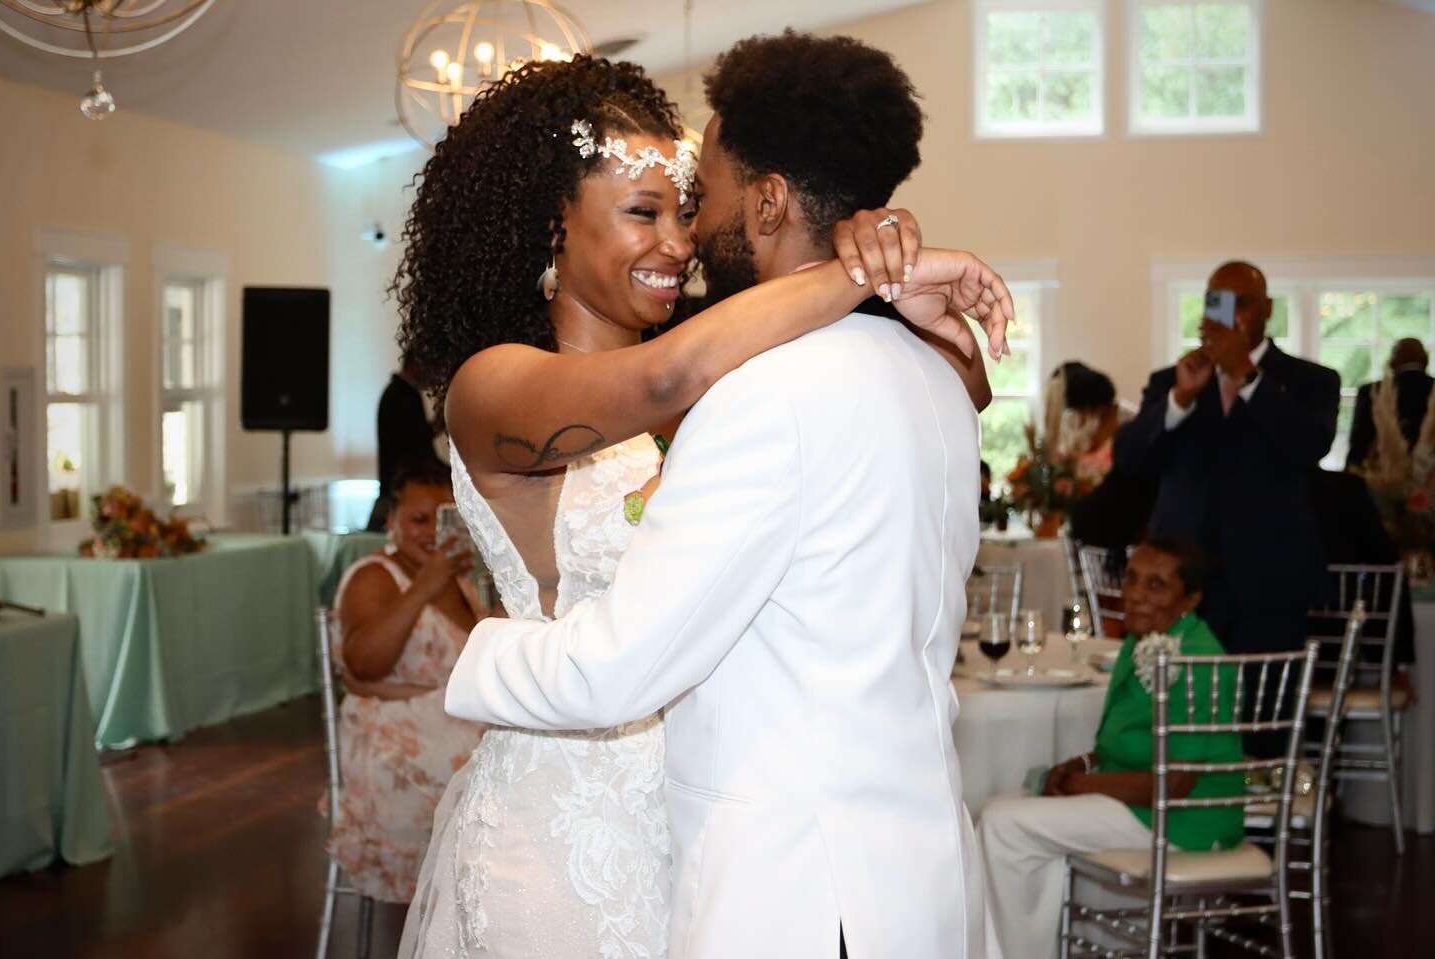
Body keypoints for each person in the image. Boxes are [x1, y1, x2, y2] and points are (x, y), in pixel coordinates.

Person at [395, 51, 1010, 959]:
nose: (679, 243)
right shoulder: (495, 385)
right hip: (567, 815)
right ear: (551, 225)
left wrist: (887, 269)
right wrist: (863, 267)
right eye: (642, 213)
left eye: (686, 210)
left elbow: (945, 394)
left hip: (689, 828)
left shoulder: (709, 370)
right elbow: (672, 374)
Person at [976, 539, 1243, 959]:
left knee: (1003, 824)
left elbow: (1174, 783)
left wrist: (1085, 786)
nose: (1135, 594)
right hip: (1148, 806)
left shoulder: (1195, 660)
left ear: (1191, 598)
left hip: (1185, 819)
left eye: (1156, 585)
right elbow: (1123, 739)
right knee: (1001, 809)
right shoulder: (1145, 641)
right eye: (1132, 578)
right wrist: (1082, 764)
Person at [1114, 261, 1340, 657]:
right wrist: (1179, 400)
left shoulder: (1311, 381)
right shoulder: (1173, 381)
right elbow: (1129, 459)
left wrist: (1248, 377)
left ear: (1267, 309)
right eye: (1216, 303)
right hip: (1182, 588)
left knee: (1264, 712)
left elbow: (1310, 445)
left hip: (1270, 587)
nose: (1228, 315)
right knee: (1179, 713)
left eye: (1242, 304)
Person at [329, 460, 486, 903]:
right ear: (392, 521)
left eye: (445, 518)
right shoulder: (374, 576)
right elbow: (363, 666)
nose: (431, 532)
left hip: (451, 723)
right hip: (395, 744)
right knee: (504, 777)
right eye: (419, 520)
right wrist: (422, 586)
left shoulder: (461, 579)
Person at [367, 359, 439, 531]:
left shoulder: (395, 392)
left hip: (395, 484)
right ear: (416, 364)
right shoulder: (403, 395)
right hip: (402, 485)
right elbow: (416, 443)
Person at [1346, 337, 1434, 470]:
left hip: (1381, 475)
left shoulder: (1372, 391)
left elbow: (1359, 444)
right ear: (1425, 360)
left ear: (1392, 362)